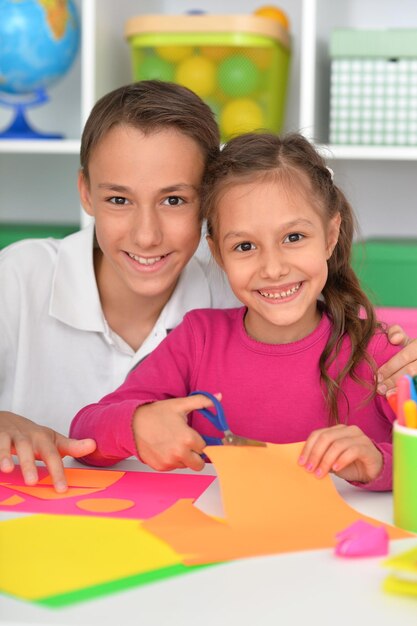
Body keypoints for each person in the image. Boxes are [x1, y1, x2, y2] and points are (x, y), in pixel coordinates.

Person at [1, 85, 415, 492]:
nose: (146, 236)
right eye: (246, 246)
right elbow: (91, 428)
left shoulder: (364, 345)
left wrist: (381, 460)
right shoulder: (199, 335)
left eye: (174, 199)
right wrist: (136, 423)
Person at [0, 80, 239, 492]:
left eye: (174, 200)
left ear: (208, 201)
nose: (146, 236)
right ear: (86, 194)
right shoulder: (20, 278)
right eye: (119, 200)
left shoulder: (237, 297)